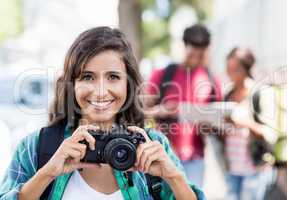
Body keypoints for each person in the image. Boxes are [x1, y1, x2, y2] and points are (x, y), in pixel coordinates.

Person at [0, 27, 205, 200]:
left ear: (128, 84)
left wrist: (174, 177)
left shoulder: (153, 146)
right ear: (72, 84)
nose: (100, 91)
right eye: (88, 77)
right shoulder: (36, 147)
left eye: (113, 77)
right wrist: (47, 173)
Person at [145, 24, 222, 188]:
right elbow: (142, 114)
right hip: (162, 156)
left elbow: (217, 122)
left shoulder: (212, 80)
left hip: (195, 159)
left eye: (201, 55)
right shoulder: (163, 74)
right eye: (193, 53)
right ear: (184, 47)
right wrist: (162, 111)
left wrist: (209, 126)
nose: (197, 59)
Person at [222, 47, 272, 200]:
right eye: (228, 69)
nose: (230, 74)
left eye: (235, 69)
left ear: (246, 68)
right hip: (232, 167)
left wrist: (244, 123)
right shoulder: (228, 93)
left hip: (254, 168)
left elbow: (268, 132)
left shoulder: (258, 93)